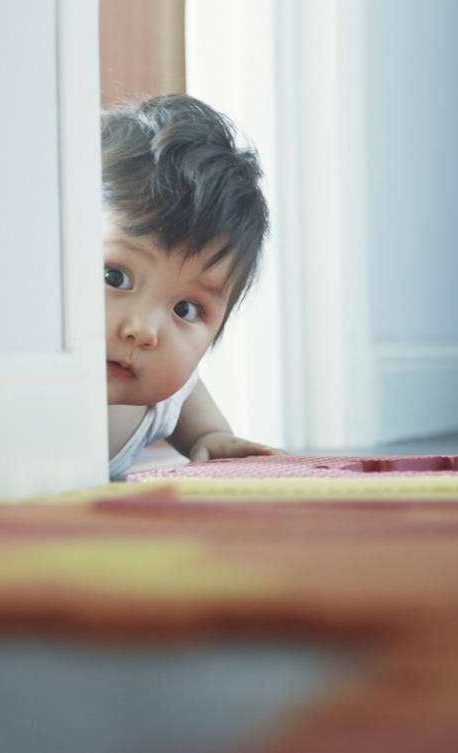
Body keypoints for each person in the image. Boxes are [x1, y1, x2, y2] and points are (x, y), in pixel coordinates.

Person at [102, 94, 286, 479]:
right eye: (115, 277)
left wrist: (214, 439)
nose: (143, 331)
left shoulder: (169, 394)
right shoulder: (33, 372)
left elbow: (204, 425)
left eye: (185, 309)